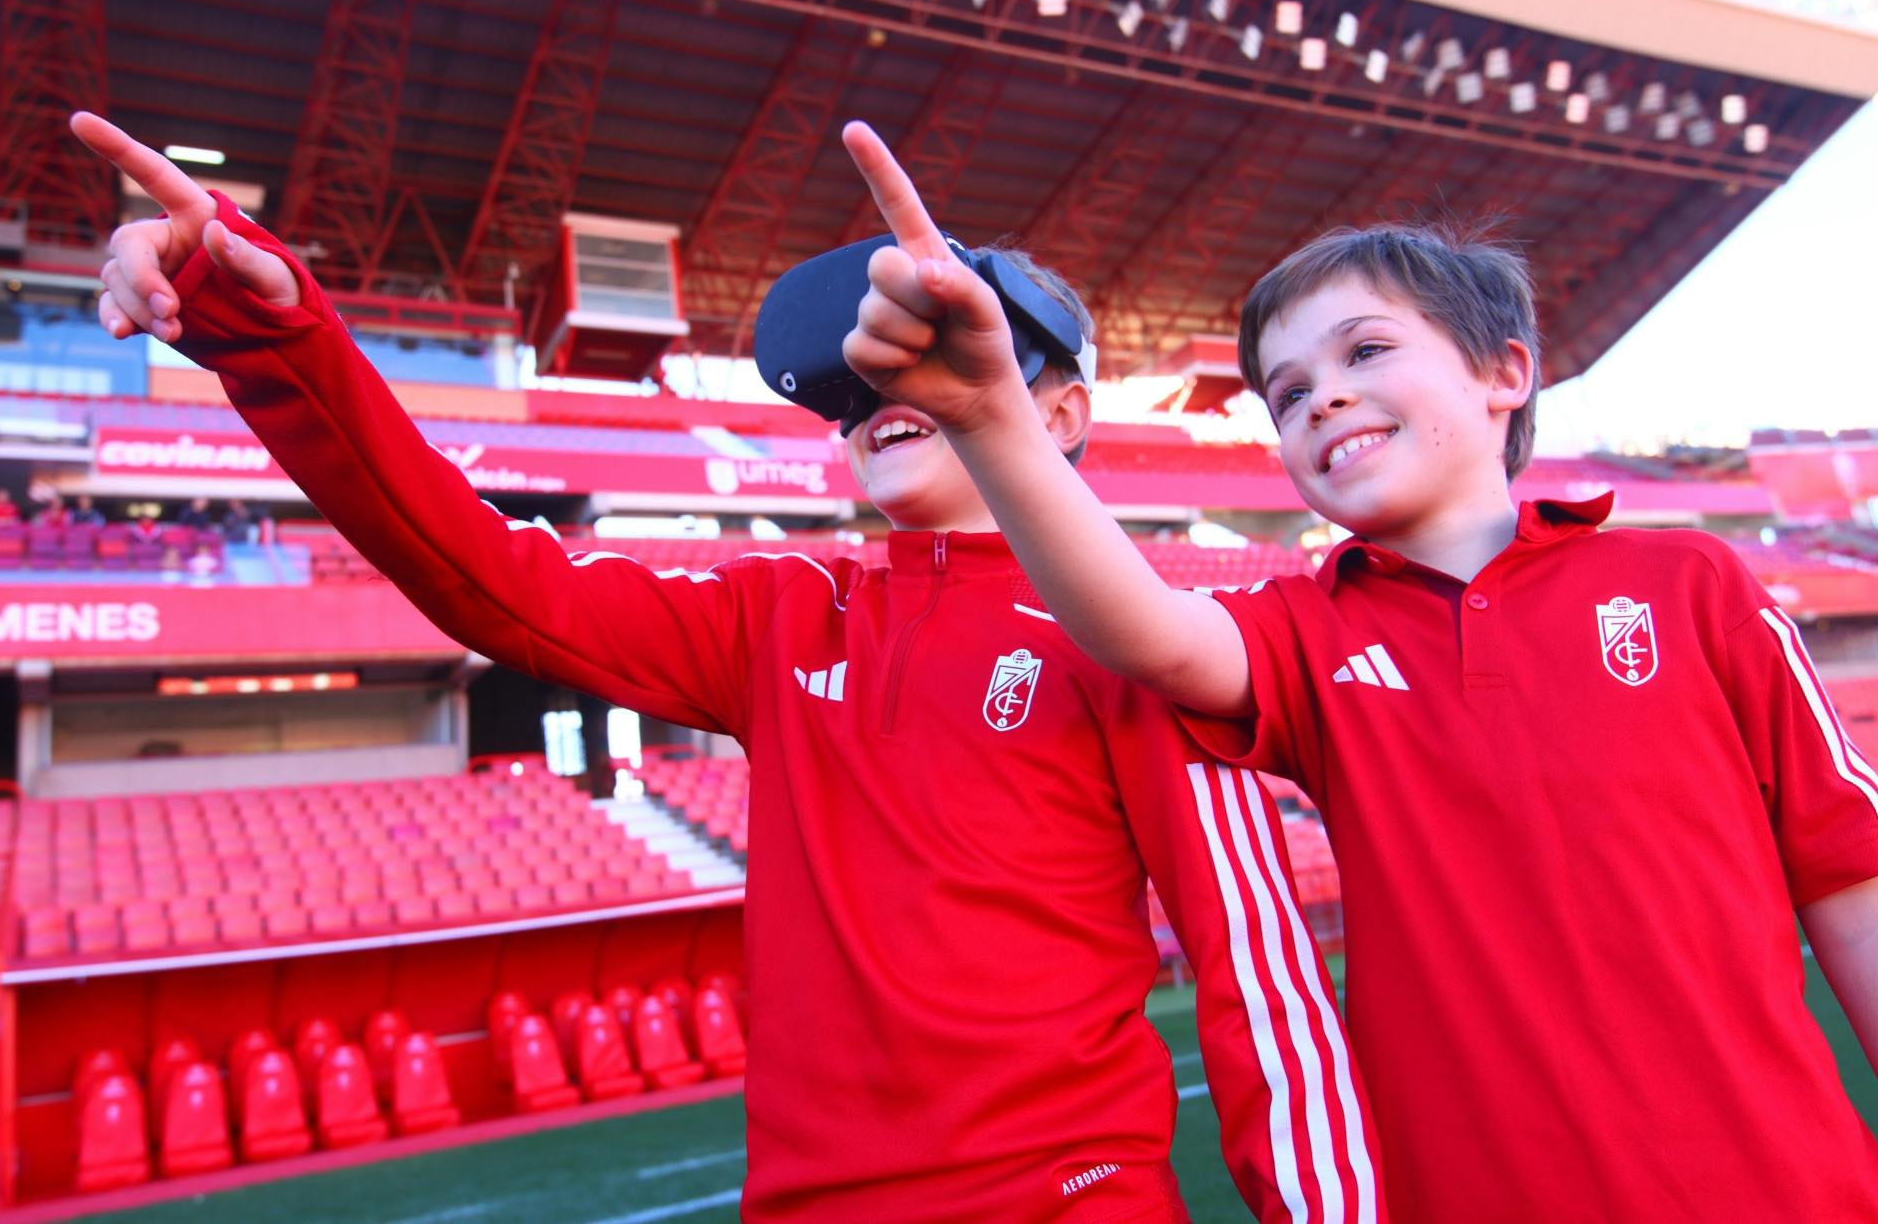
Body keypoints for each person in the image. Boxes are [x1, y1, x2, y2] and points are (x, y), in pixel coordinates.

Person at [72, 112, 1381, 1224]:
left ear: (1064, 414)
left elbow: (1254, 972)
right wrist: (276, 336)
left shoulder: (1143, 628)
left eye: (937, 349)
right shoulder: (782, 611)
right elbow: (485, 575)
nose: (878, 395)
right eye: (854, 381)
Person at [834, 120, 1878, 1221]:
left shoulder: (1689, 582)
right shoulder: (1304, 629)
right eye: (1286, 392)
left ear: (1504, 373)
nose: (1321, 400)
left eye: (1361, 353)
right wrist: (990, 418)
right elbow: (1143, 632)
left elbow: (1859, 896)